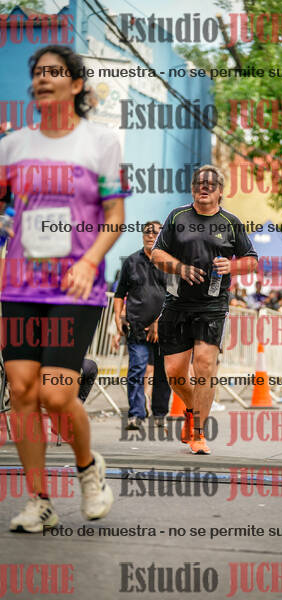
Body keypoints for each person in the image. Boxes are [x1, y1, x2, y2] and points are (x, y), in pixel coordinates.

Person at [0, 45, 129, 532]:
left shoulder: (101, 142)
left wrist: (90, 261)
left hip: (76, 283)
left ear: (76, 85)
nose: (42, 79)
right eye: (37, 72)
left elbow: (115, 216)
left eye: (53, 72)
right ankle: (39, 500)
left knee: (56, 394)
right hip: (20, 284)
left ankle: (88, 468)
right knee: (21, 388)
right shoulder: (13, 146)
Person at [151, 164, 258, 454]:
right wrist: (180, 268)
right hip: (177, 302)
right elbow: (157, 253)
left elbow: (251, 260)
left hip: (212, 304)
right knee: (174, 373)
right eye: (199, 182)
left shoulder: (231, 222)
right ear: (193, 188)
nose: (205, 187)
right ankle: (192, 408)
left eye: (211, 183)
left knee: (204, 366)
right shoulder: (177, 217)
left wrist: (232, 266)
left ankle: (198, 432)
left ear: (220, 191)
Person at [114, 221, 170, 430]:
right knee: (136, 369)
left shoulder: (170, 262)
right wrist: (117, 318)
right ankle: (136, 415)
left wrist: (157, 321)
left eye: (155, 232)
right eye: (147, 232)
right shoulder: (131, 262)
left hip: (164, 328)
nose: (150, 235)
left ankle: (160, 413)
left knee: (163, 372)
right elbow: (120, 293)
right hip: (136, 327)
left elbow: (174, 296)